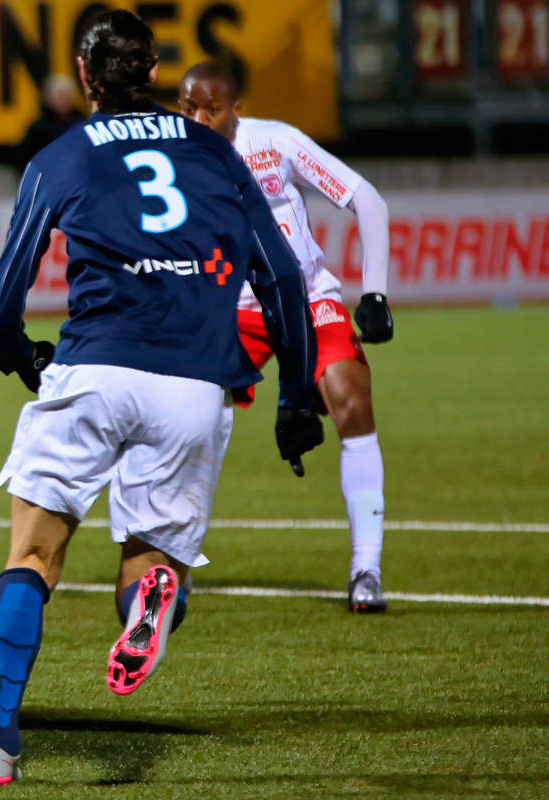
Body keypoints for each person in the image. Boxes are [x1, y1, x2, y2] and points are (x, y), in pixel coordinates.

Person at [0, 10, 323, 784]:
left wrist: (22, 358)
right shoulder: (215, 151)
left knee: (31, 556)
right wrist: (297, 392)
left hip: (96, 368)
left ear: (84, 74)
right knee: (154, 555)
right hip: (197, 385)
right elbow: (284, 276)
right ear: (157, 74)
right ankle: (151, 597)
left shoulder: (59, 157)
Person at [178, 60, 393, 613]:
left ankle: (365, 568)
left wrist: (374, 294)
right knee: (191, 412)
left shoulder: (275, 144)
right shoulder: (168, 158)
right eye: (188, 107)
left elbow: (365, 198)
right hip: (231, 307)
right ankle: (174, 560)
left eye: (212, 108)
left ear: (237, 110)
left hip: (305, 298)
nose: (199, 119)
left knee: (349, 398)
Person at [11, 73, 86, 172]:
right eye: (59, 96)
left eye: (66, 96)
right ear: (48, 98)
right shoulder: (37, 129)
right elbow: (23, 159)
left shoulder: (82, 124)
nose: (62, 100)